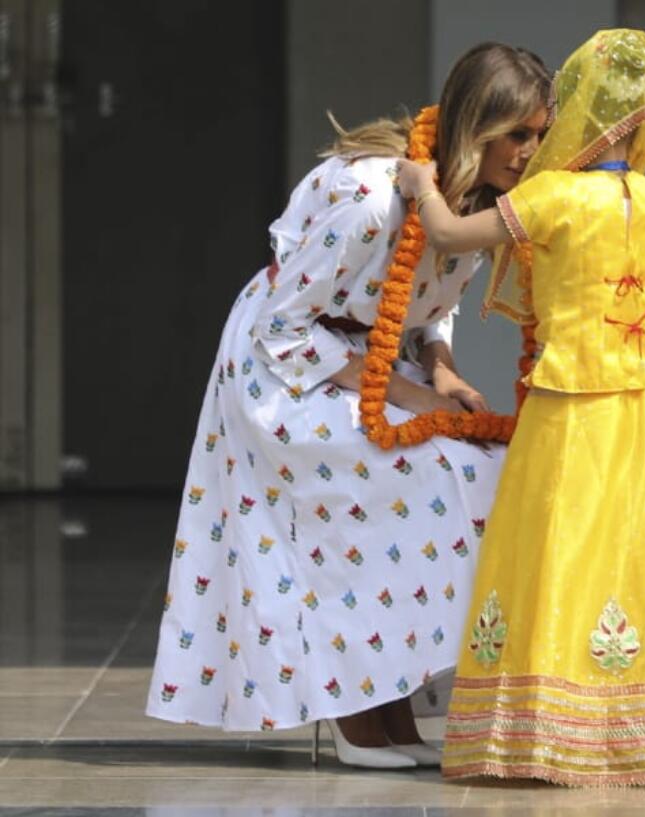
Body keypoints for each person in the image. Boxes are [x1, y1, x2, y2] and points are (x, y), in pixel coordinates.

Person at [146, 42, 550, 769]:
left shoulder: (475, 203)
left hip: (367, 365)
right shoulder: (374, 198)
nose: (528, 152)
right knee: (405, 483)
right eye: (516, 134)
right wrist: (414, 393)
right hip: (285, 371)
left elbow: (427, 308)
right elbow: (285, 325)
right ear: (475, 126)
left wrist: (445, 372)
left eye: (539, 136)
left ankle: (389, 684)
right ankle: (355, 699)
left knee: (484, 471)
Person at [398, 28, 645, 787]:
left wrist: (419, 184)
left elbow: (449, 232)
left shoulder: (548, 196)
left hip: (569, 401)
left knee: (558, 546)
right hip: (644, 403)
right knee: (629, 549)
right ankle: (629, 732)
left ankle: (549, 729)